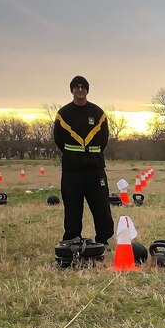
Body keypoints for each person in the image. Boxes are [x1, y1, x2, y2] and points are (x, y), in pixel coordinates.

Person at [53, 76, 114, 246]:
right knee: (73, 207)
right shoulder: (63, 114)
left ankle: (103, 240)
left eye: (83, 87)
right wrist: (75, 156)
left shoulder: (98, 113)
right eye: (76, 87)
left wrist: (91, 156)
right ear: (72, 90)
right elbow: (59, 139)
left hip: (94, 168)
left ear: (87, 90)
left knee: (101, 206)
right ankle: (72, 239)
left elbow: (103, 140)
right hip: (72, 169)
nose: (80, 89)